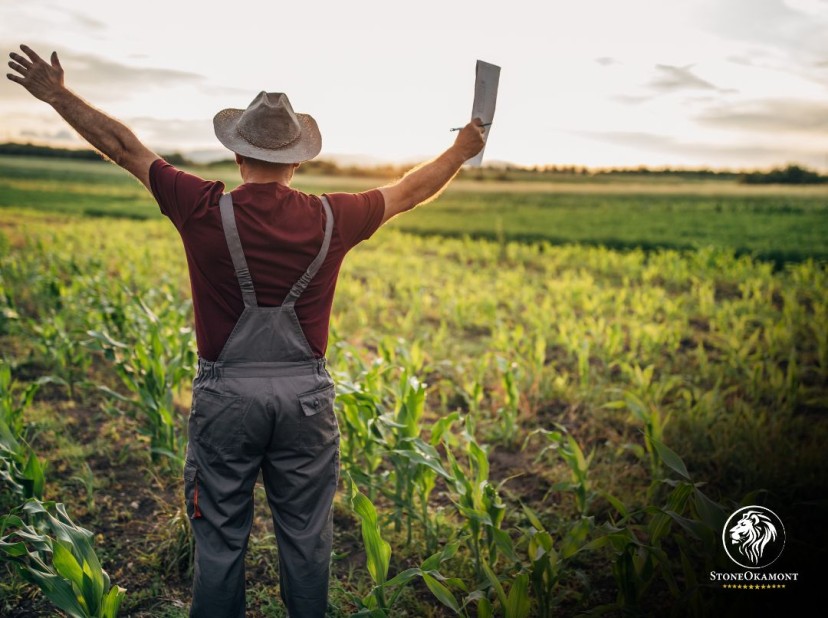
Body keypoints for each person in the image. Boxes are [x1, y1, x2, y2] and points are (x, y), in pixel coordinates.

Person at [6, 44, 486, 617]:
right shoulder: (335, 216)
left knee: (219, 539)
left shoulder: (201, 206)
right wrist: (461, 149)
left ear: (237, 156)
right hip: (305, 400)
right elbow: (410, 190)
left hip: (227, 397)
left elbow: (123, 146)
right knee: (308, 540)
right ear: (298, 162)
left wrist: (57, 94)